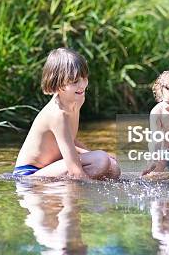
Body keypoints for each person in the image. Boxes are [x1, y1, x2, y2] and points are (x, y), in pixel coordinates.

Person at [13, 48, 121, 180]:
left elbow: (68, 139)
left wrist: (91, 154)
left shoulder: (78, 98)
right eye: (75, 82)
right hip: (29, 176)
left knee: (113, 167)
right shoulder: (58, 114)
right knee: (100, 160)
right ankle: (70, 192)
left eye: (84, 78)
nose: (82, 85)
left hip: (53, 167)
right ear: (58, 84)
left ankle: (68, 190)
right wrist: (92, 196)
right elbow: (75, 171)